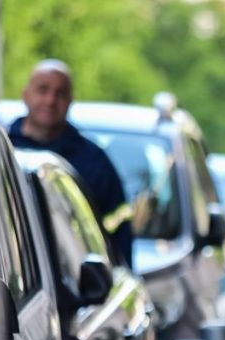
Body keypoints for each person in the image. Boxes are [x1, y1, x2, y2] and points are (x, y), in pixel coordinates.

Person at [8, 59, 133, 267]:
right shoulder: (1, 154)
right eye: (43, 90)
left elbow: (118, 233)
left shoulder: (94, 162)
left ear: (70, 101)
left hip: (77, 285)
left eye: (60, 93)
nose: (50, 100)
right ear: (25, 96)